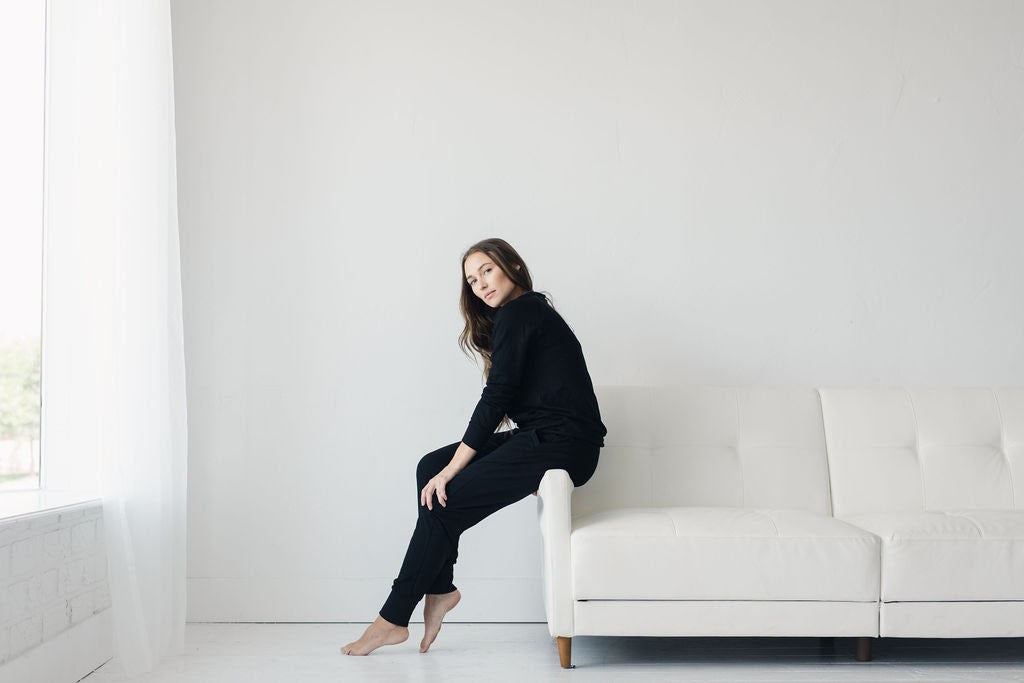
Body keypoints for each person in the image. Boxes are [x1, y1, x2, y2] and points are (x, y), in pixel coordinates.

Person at [341, 238, 607, 656]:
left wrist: (456, 469)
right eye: (471, 280)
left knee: (443, 494)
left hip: (564, 443)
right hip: (545, 436)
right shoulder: (525, 313)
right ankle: (440, 589)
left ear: (513, 266)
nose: (481, 284)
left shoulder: (521, 311)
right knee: (430, 467)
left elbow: (495, 398)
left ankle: (392, 619)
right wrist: (452, 466)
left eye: (487, 270)